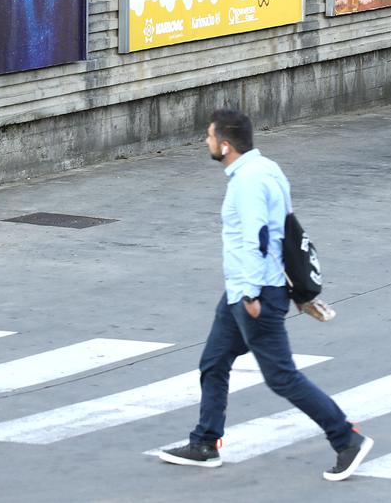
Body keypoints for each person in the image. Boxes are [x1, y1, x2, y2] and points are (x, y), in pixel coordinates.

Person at [157, 109, 373, 482]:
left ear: (225, 145)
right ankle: (205, 442)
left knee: (282, 377)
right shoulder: (267, 169)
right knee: (214, 361)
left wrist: (253, 293)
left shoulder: (249, 182)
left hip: (254, 292)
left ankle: (346, 438)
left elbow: (259, 237)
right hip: (241, 290)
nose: (205, 142)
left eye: (209, 137)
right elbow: (287, 232)